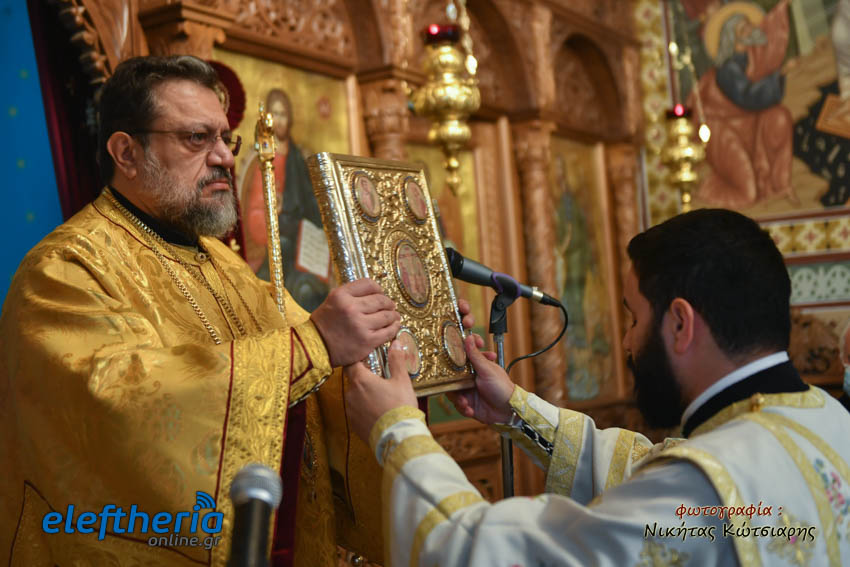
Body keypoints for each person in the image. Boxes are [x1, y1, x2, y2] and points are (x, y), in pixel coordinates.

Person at [0, 55, 403, 566]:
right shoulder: (64, 270)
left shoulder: (222, 262)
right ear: (127, 152)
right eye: (197, 138)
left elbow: (320, 363)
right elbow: (122, 404)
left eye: (226, 139)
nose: (226, 158)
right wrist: (315, 344)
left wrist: (394, 341)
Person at [345, 208, 850, 566]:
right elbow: (647, 467)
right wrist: (517, 410)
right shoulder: (829, 422)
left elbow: (484, 554)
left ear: (680, 324)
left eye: (634, 318)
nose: (627, 342)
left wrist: (398, 430)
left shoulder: (701, 489)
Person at [693, 0, 797, 208]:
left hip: (751, 125)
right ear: (733, 37)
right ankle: (705, 192)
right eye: (745, 28)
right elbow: (749, 97)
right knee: (747, 195)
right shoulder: (727, 70)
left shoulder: (754, 59)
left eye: (750, 24)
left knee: (780, 117)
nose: (752, 29)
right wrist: (780, 76)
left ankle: (779, 184)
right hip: (725, 131)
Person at [240, 88, 330, 312]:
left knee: (309, 291)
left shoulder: (298, 159)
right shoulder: (262, 160)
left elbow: (312, 207)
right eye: (274, 114)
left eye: (283, 114)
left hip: (303, 245)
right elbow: (254, 213)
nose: (278, 120)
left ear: (290, 118)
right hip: (273, 244)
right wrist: (274, 213)